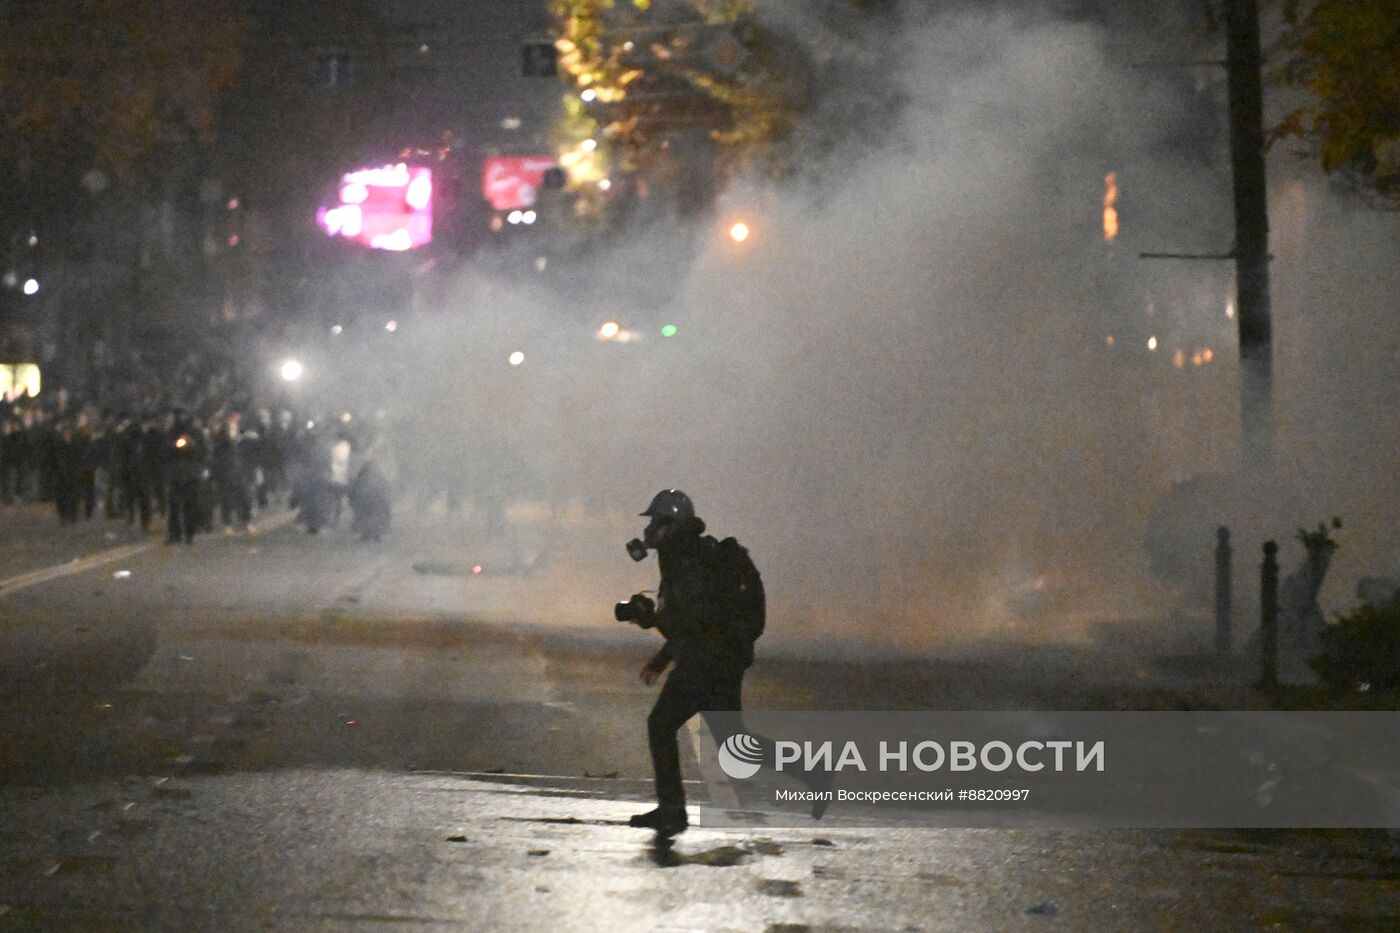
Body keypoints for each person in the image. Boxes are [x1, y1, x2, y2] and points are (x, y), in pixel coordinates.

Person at [618, 489, 772, 836]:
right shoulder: (680, 557)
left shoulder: (691, 562)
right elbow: (689, 623)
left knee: (663, 726)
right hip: (713, 659)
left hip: (710, 663)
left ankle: (672, 812)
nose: (652, 530)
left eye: (658, 522)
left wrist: (652, 623)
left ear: (674, 524)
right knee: (732, 743)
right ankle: (812, 772)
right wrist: (659, 652)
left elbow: (690, 622)